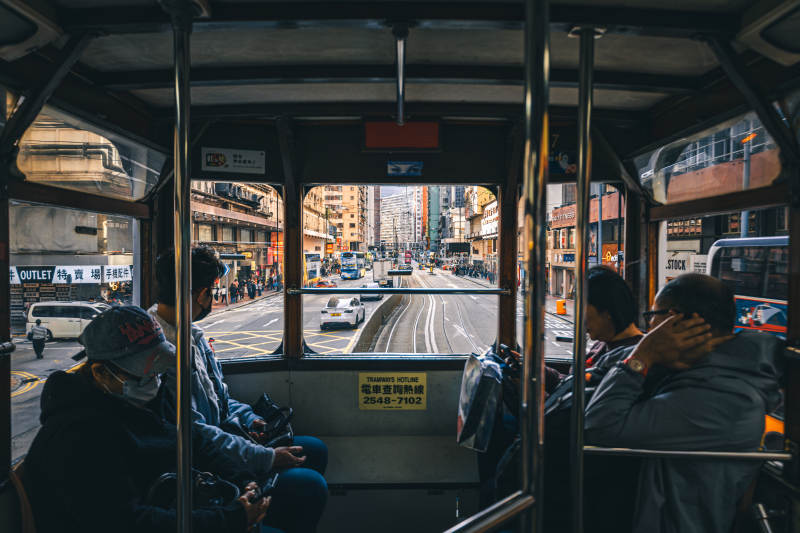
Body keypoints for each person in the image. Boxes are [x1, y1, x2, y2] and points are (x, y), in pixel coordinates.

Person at [24, 305, 274, 533]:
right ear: (100, 373)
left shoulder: (145, 397)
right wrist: (228, 519)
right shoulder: (75, 436)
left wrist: (244, 479)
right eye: (144, 375)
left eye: (158, 371)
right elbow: (127, 522)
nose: (155, 381)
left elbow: (193, 442)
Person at [585, 273, 783, 533]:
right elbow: (603, 370)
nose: (649, 325)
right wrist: (647, 356)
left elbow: (597, 427)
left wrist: (644, 355)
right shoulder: (694, 369)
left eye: (653, 315)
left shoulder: (724, 399)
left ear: (677, 321)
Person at [152, 247, 328, 533]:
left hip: (228, 437)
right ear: (200, 295)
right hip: (206, 462)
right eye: (211, 289)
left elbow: (218, 396)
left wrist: (248, 419)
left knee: (314, 450)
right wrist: (265, 457)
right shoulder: (162, 351)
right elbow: (196, 433)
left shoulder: (191, 334)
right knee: (310, 487)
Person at [545, 265, 644, 393]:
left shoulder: (632, 357)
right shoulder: (602, 343)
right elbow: (571, 384)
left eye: (584, 312)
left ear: (607, 311)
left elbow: (589, 400)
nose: (581, 321)